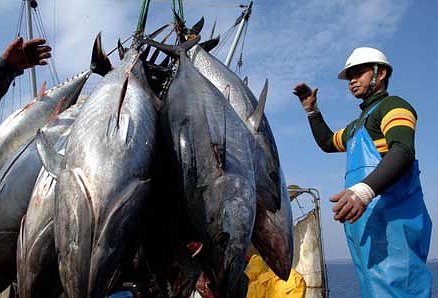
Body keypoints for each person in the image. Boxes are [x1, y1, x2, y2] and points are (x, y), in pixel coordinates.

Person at [293, 47, 432, 297]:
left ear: (381, 74)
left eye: (359, 73)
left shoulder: (394, 106)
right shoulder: (358, 125)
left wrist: (363, 191)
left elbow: (402, 150)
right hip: (367, 230)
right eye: (350, 77)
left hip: (394, 228)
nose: (352, 81)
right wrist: (312, 111)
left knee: (400, 288)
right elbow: (328, 143)